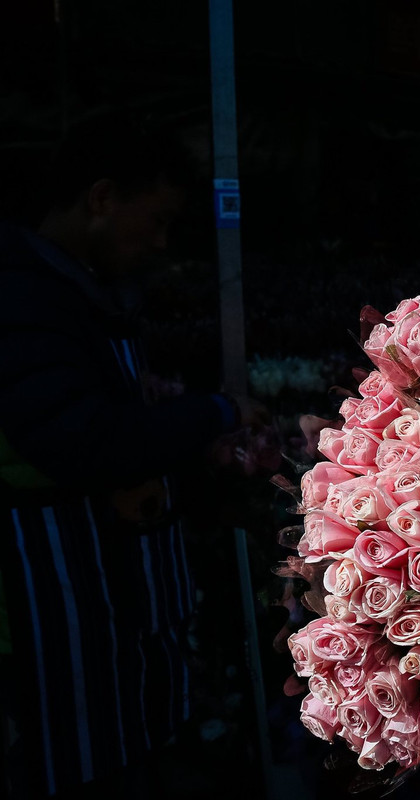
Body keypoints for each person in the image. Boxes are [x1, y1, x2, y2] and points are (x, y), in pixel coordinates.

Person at [0, 110, 268, 799]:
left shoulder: (75, 288)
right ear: (101, 198)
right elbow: (83, 440)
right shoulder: (25, 294)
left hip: (110, 594)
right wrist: (213, 411)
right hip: (54, 600)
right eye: (154, 220)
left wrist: (148, 399)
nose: (160, 242)